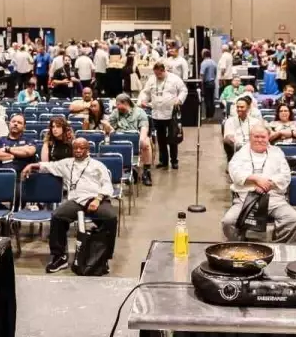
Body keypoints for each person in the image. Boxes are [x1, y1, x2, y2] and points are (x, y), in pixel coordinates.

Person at [22, 137, 118, 274]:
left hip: (96, 199)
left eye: (82, 148)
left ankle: (103, 258)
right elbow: (49, 166)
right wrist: (31, 166)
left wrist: (98, 199)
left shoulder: (98, 165)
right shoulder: (66, 163)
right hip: (76, 201)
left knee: (110, 218)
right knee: (57, 216)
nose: (78, 150)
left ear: (87, 149)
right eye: (76, 148)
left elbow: (107, 184)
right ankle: (60, 256)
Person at [221, 124, 296, 242]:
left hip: (274, 199)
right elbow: (235, 173)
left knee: (294, 219)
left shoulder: (277, 152)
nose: (259, 140)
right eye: (256, 136)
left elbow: (285, 175)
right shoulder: (241, 153)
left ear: (268, 137)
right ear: (250, 137)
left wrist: (268, 183)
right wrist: (255, 179)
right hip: (245, 199)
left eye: (263, 137)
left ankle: (278, 246)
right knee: (227, 222)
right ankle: (241, 245)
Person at [139, 60, 187, 170]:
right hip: (156, 113)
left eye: (159, 74)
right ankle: (163, 161)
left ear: (163, 70)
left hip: (171, 114)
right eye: (155, 74)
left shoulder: (174, 79)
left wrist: (179, 100)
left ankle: (174, 161)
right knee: (161, 140)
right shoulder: (152, 79)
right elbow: (146, 92)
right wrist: (143, 100)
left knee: (172, 138)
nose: (157, 76)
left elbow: (184, 90)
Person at [102, 92, 153, 186]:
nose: (117, 107)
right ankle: (125, 170)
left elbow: (144, 127)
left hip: (135, 138)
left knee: (146, 143)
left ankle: (146, 172)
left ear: (126, 103)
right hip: (119, 137)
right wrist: (108, 126)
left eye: (118, 104)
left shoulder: (140, 112)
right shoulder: (115, 112)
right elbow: (110, 126)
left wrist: (141, 139)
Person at [199, 48, 217, 120]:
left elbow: (202, 74)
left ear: (203, 55)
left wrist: (200, 83)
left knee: (207, 100)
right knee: (212, 99)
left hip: (206, 83)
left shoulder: (204, 63)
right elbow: (215, 72)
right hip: (212, 82)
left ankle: (208, 116)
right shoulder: (213, 62)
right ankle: (211, 115)